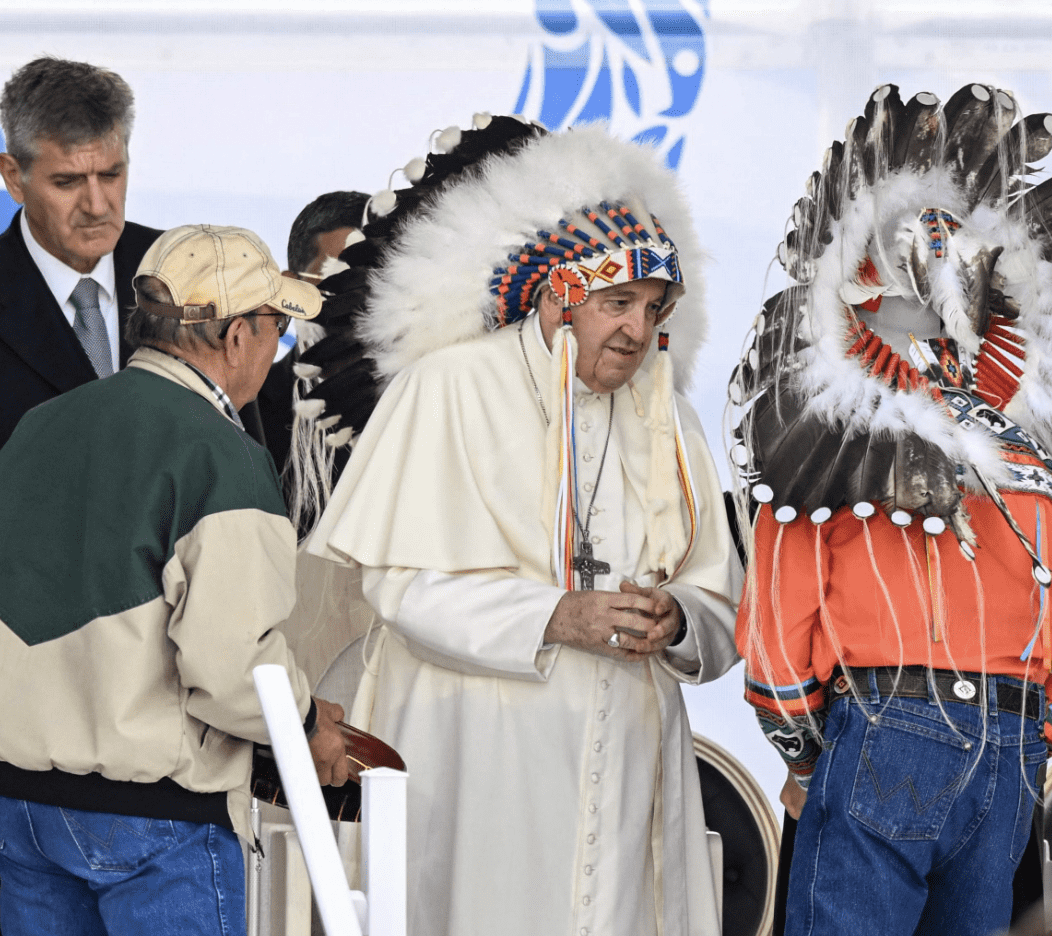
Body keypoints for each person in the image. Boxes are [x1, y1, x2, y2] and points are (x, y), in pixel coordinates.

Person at [730, 81, 1052, 935]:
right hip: (1010, 750)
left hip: (883, 725)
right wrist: (1014, 744)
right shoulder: (1034, 453)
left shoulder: (829, 439)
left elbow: (777, 645)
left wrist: (801, 749)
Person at [297, 116, 742, 935]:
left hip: (631, 755)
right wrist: (554, 615)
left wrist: (681, 618)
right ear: (557, 295)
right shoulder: (449, 387)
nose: (638, 331)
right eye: (618, 303)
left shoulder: (669, 419)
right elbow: (402, 587)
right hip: (479, 756)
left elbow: (720, 597)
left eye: (652, 306)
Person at [0, 224, 347, 936]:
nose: (274, 348)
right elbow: (230, 668)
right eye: (275, 326)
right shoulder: (221, 455)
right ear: (238, 336)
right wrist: (306, 721)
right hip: (151, 817)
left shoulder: (40, 424)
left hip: (18, 810)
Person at [0, 56, 161, 449]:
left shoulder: (184, 269)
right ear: (13, 178)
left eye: (110, 175)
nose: (96, 205)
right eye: (67, 181)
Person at [257, 190, 369, 485]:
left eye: (373, 276)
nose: (359, 297)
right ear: (293, 290)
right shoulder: (250, 411)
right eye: (339, 278)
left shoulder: (424, 397)